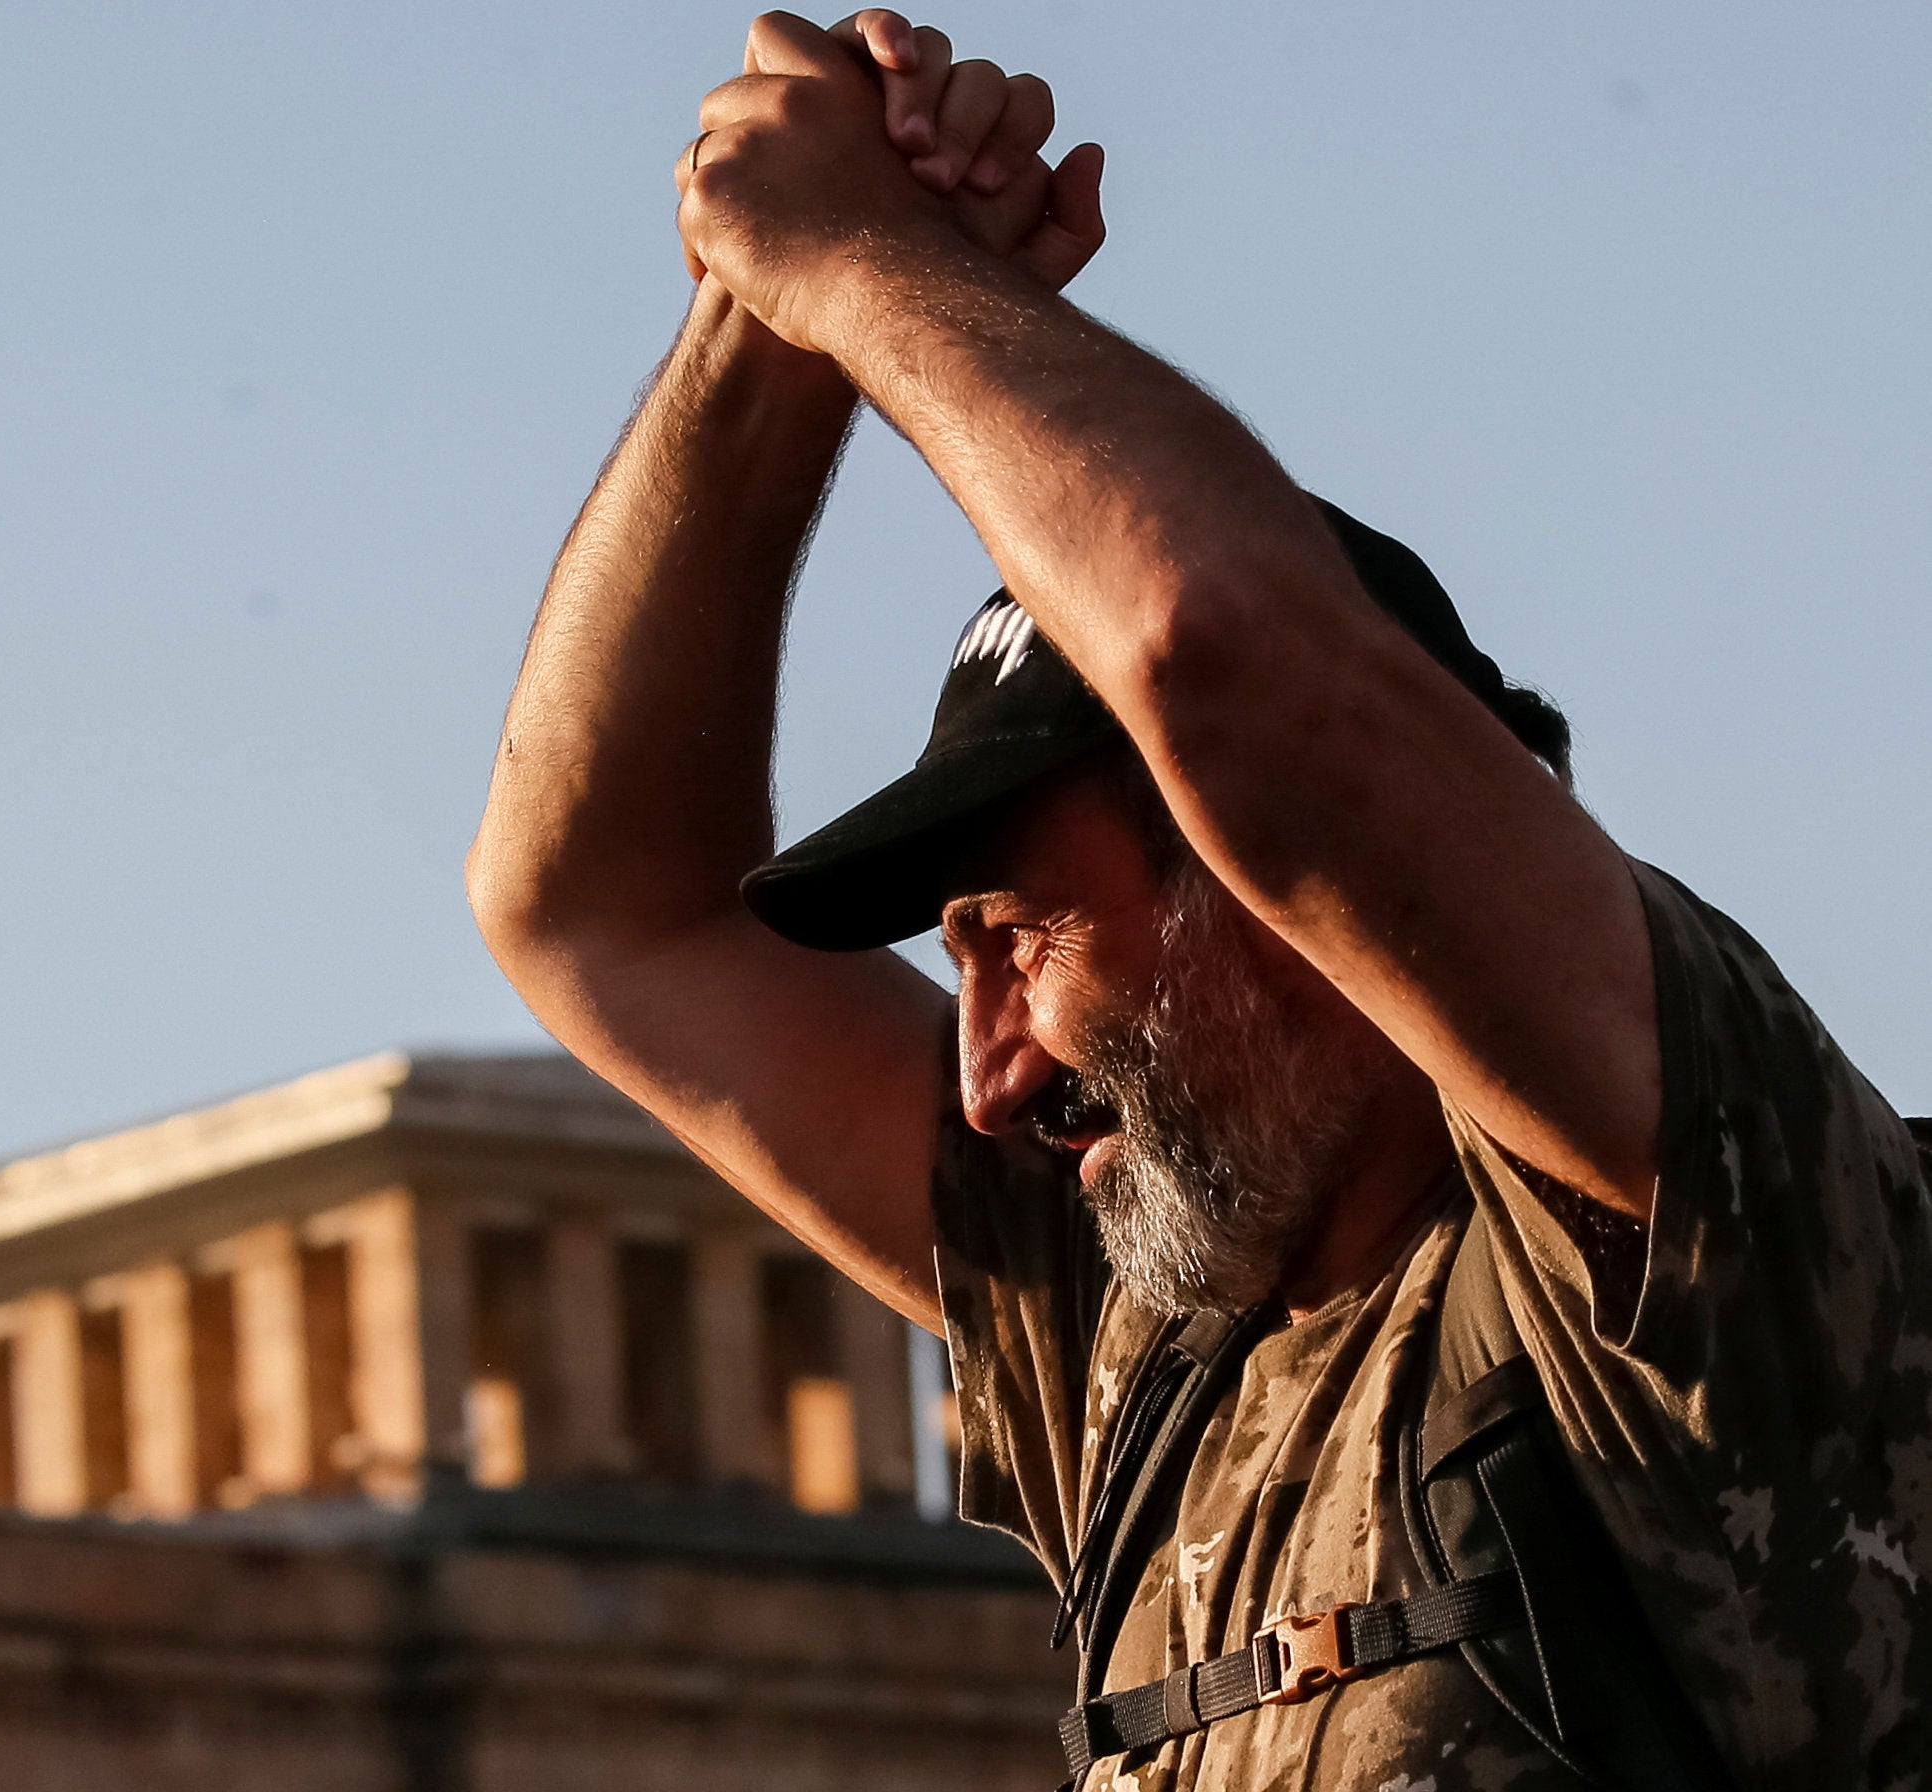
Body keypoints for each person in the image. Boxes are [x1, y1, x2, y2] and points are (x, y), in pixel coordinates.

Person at [468, 12, 1929, 1787]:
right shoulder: (1141, 1345)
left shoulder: (1684, 1238)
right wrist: (763, 331)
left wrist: (873, 266)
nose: (989, 1070)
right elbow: (600, 911)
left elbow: (1212, 648)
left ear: (1283, 877)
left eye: (1022, 939)